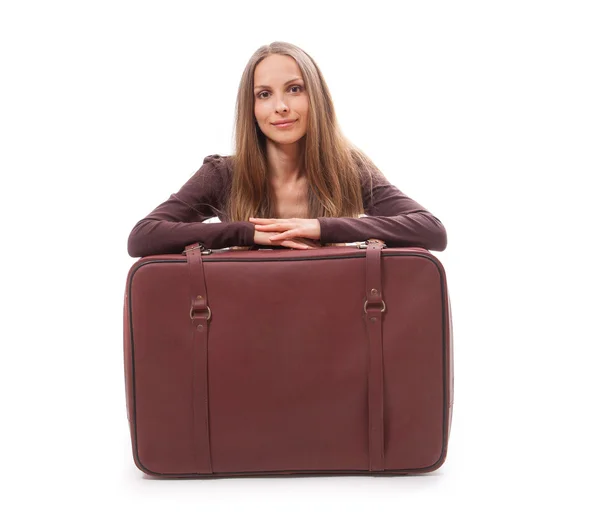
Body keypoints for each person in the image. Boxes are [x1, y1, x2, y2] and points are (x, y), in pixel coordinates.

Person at [127, 42, 447, 258]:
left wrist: (320, 227)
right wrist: (246, 233)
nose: (280, 107)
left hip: (331, 325)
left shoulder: (348, 167)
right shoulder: (223, 174)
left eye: (294, 90)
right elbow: (143, 237)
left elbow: (431, 230)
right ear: (251, 108)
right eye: (264, 94)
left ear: (315, 97)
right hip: (245, 326)